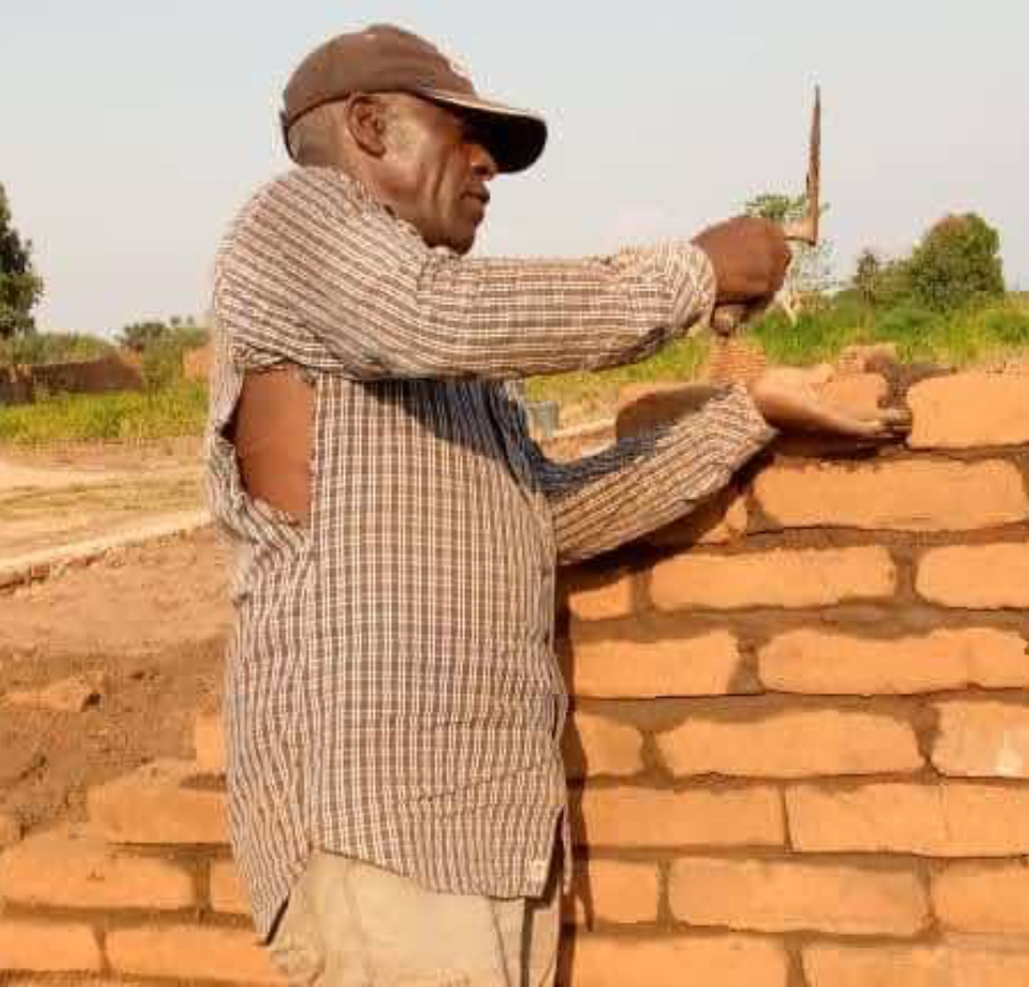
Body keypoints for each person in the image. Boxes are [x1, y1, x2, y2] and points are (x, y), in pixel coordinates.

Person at [207, 23, 902, 987]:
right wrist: (692, 274)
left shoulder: (450, 373)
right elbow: (432, 311)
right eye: (463, 133)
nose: (487, 163)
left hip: (485, 835)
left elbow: (549, 517)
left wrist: (749, 413)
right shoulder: (292, 222)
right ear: (367, 126)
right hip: (379, 835)